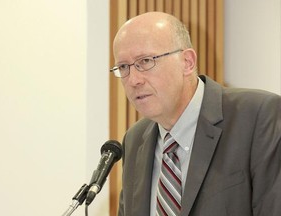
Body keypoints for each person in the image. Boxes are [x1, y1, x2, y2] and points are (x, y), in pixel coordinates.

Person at [110, 11, 281, 216]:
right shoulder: (135, 139)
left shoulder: (258, 116)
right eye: (123, 67)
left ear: (187, 62)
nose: (133, 80)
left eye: (145, 61)